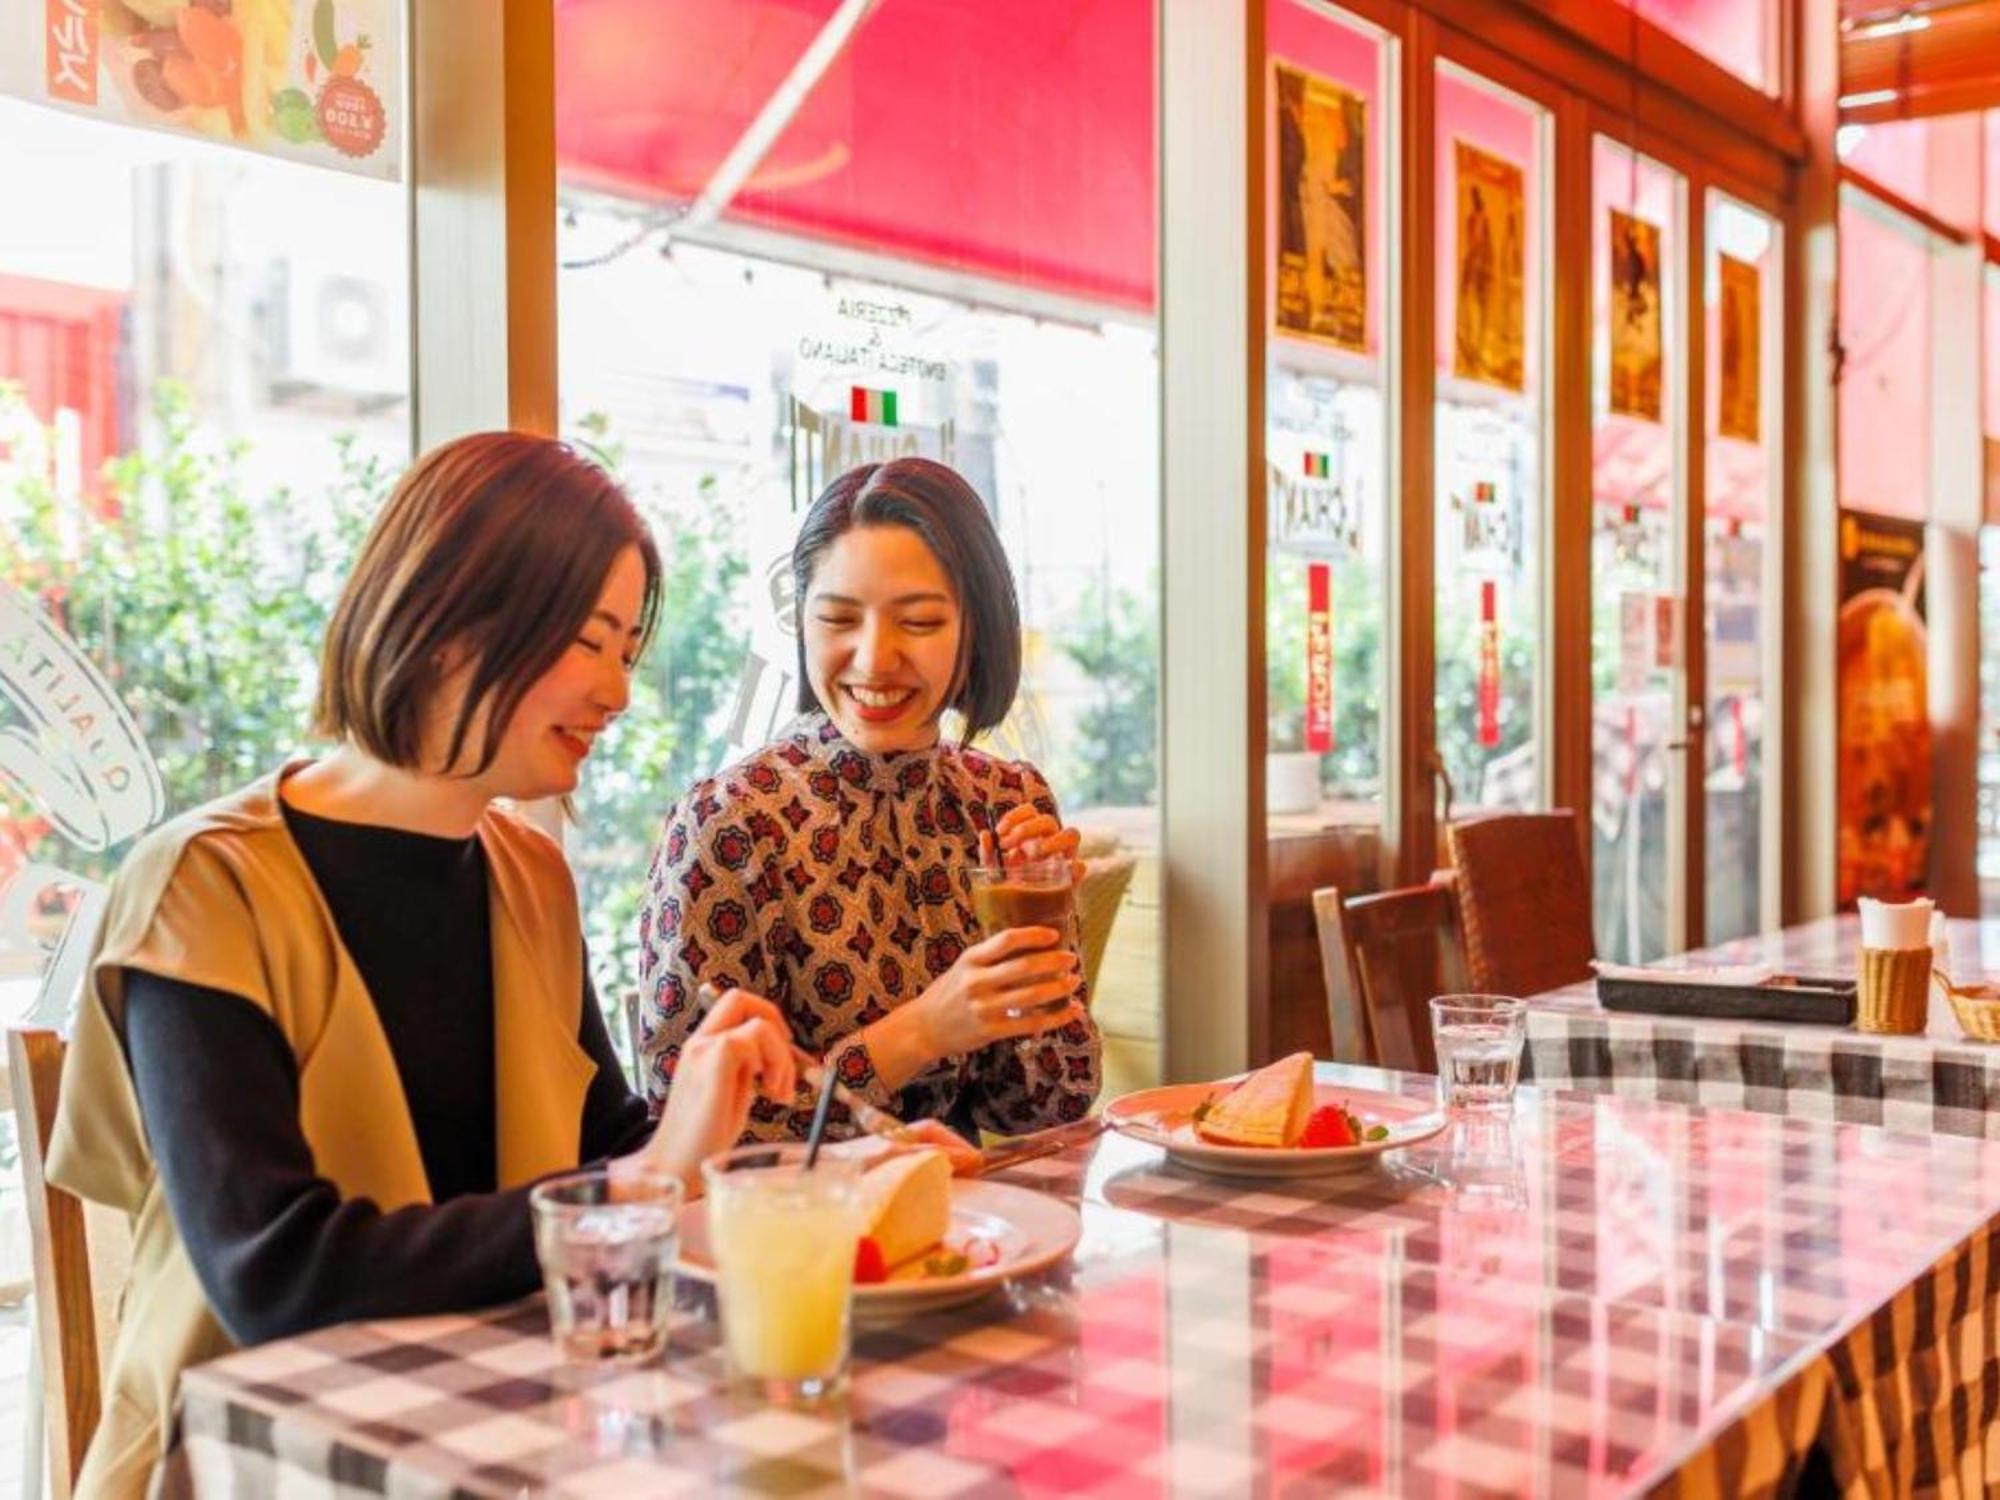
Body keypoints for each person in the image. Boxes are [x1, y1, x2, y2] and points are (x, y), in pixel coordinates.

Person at [46, 432, 798, 1500]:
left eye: (628, 649)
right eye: (589, 642)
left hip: (494, 1432)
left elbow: (603, 1144)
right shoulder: (204, 888)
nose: (619, 692)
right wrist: (644, 1179)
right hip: (255, 1462)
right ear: (449, 623)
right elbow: (276, 1275)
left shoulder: (530, 876)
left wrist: (772, 1160)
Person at [636, 457, 1102, 1144]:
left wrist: (1037, 945)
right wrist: (921, 1031)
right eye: (838, 619)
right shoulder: (730, 824)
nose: (874, 659)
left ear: (976, 631)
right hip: (798, 1235)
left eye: (917, 622)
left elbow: (1051, 1106)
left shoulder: (1005, 801)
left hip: (967, 1223)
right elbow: (690, 1131)